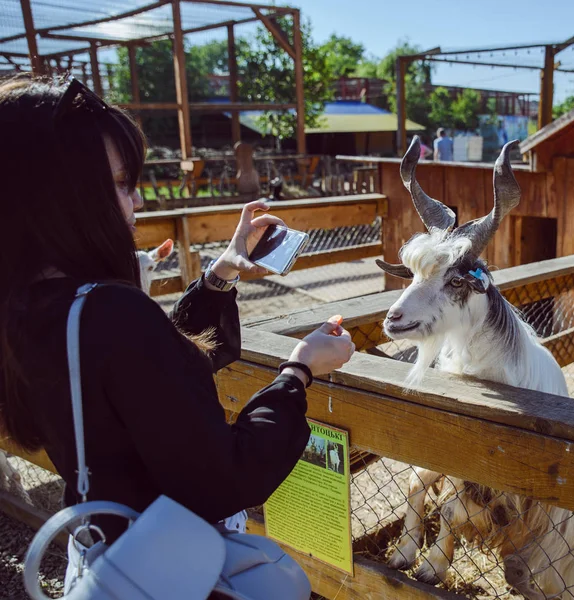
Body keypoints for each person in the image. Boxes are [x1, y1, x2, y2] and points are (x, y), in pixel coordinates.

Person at [0, 76, 355, 582]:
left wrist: (220, 275)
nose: (137, 201)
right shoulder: (109, 312)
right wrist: (299, 370)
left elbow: (143, 373)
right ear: (61, 197)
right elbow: (230, 476)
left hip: (104, 555)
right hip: (167, 570)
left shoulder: (34, 307)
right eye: (121, 183)